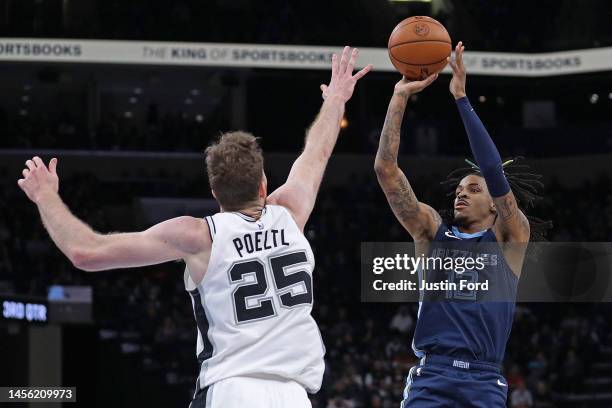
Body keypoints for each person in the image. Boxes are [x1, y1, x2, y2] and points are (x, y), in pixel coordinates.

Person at [17, 46, 372, 408]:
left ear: (214, 192)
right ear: (264, 184)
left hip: (231, 390)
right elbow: (316, 152)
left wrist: (45, 196)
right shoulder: (290, 211)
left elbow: (86, 253)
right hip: (295, 395)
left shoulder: (198, 236)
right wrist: (337, 99)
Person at [374, 41, 549, 407]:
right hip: (431, 377)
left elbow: (491, 170)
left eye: (473, 189)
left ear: (494, 206)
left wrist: (461, 98)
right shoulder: (431, 232)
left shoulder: (510, 237)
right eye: (458, 189)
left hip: (484, 379)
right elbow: (386, 171)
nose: (461, 194)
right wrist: (398, 98)